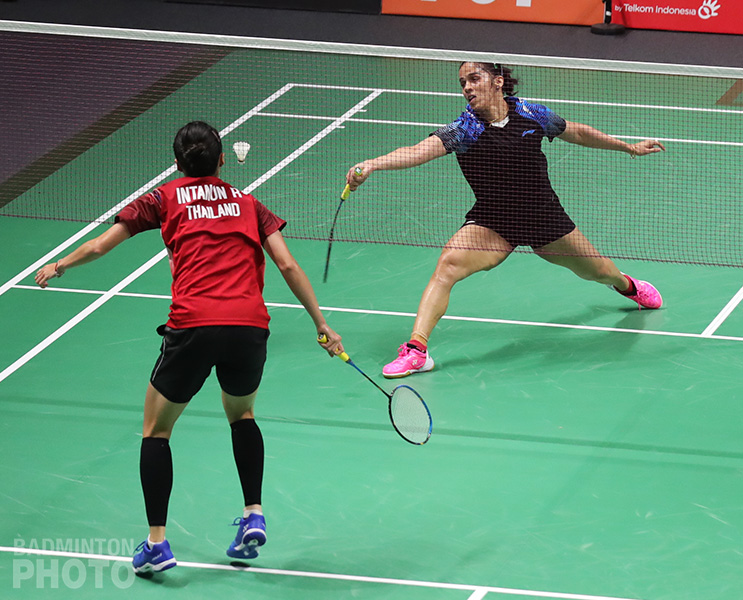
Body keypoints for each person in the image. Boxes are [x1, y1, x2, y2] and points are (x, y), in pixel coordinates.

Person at [35, 121, 344, 573]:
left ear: (177, 164)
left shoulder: (163, 198)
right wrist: (321, 324)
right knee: (242, 414)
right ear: (221, 160)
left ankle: (157, 543)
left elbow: (102, 245)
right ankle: (253, 513)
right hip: (248, 327)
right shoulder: (249, 203)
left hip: (194, 325)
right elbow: (287, 264)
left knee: (156, 431)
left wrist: (60, 265)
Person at [346, 61, 665, 379]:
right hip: (494, 221)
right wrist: (374, 163)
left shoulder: (532, 114)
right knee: (447, 266)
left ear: (497, 82)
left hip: (544, 216)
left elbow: (576, 131)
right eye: (463, 83)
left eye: (474, 78)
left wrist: (628, 147)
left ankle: (627, 286)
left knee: (600, 271)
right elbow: (417, 150)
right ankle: (417, 351)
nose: (467, 88)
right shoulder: (464, 129)